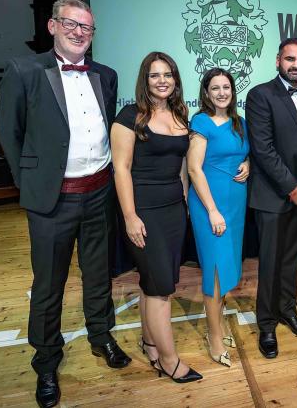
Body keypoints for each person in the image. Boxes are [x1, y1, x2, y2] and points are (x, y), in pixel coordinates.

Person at [0, 0, 131, 408]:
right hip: (52, 200)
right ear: (52, 26)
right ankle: (46, 361)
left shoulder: (106, 75)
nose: (78, 33)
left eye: (86, 28)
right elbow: (10, 134)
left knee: (97, 274)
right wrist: (33, 186)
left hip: (98, 193)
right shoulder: (24, 70)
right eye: (71, 25)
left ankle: (100, 335)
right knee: (49, 284)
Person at [110, 52, 201, 383]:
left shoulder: (180, 115)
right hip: (144, 211)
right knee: (161, 288)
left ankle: (150, 343)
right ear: (144, 80)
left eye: (168, 74)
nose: (162, 80)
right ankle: (169, 361)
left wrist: (187, 203)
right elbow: (120, 168)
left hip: (174, 210)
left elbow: (182, 168)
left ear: (175, 80)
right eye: (154, 75)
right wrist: (130, 216)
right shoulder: (129, 115)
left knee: (155, 284)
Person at [245, 37, 297, 359]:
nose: (296, 65)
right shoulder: (260, 95)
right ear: (278, 60)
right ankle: (266, 323)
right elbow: (263, 150)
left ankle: (287, 311)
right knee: (270, 264)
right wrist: (292, 188)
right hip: (274, 197)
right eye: (290, 59)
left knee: (293, 260)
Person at [186, 68, 250, 367]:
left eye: (226, 87)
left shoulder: (240, 123)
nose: (222, 92)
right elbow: (194, 169)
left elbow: (243, 154)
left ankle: (219, 324)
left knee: (227, 270)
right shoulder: (200, 122)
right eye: (215, 88)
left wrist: (247, 163)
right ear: (206, 93)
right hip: (210, 206)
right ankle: (213, 336)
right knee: (214, 271)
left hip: (236, 205)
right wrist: (212, 210)